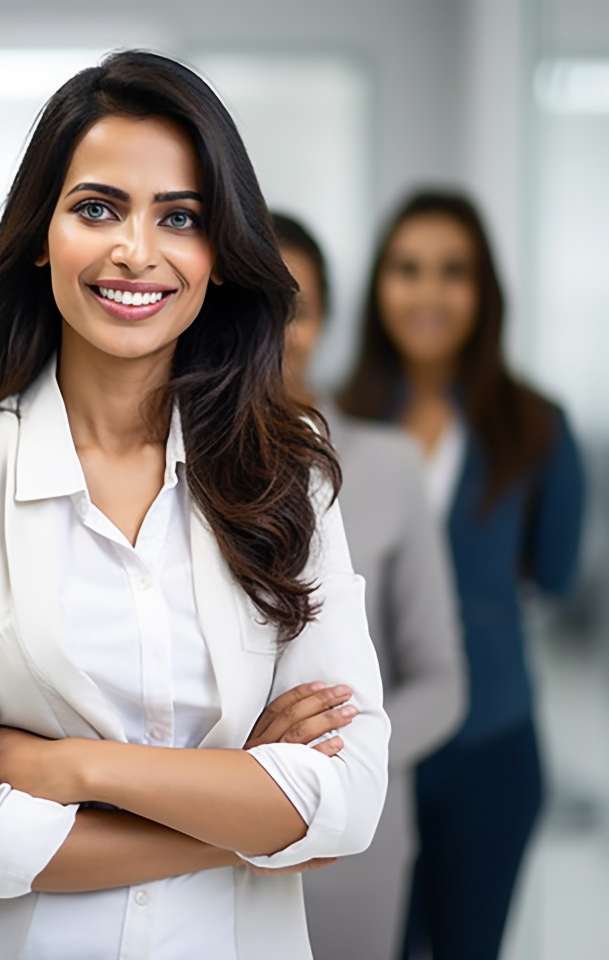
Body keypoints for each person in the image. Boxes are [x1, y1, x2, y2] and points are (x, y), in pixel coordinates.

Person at [0, 50, 390, 960]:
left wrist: (71, 768)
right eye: (97, 207)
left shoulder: (289, 476)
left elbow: (346, 801)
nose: (135, 251)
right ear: (43, 235)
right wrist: (242, 806)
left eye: (180, 217)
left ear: (220, 256)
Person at [337, 191, 585, 960]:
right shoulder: (339, 417)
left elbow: (555, 570)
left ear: (485, 293)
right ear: (381, 288)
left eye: (454, 272)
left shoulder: (534, 424)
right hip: (374, 741)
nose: (430, 294)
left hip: (492, 747)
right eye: (408, 270)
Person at [271, 211, 466, 960]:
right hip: (199, 840)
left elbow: (441, 682)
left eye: (299, 311)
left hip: (355, 837)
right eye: (252, 306)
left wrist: (327, 765)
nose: (277, 331)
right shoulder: (161, 467)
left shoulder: (387, 466)